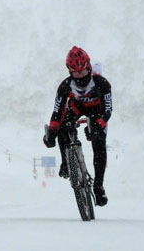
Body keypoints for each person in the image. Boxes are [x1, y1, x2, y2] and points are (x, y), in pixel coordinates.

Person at [43, 46, 112, 206]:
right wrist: (52, 131)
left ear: (89, 68)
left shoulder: (102, 83)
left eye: (82, 72)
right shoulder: (65, 86)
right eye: (76, 74)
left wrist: (99, 124)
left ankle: (98, 186)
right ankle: (66, 163)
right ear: (70, 72)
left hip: (98, 110)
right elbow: (57, 111)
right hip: (77, 107)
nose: (80, 77)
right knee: (62, 126)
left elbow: (107, 110)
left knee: (98, 141)